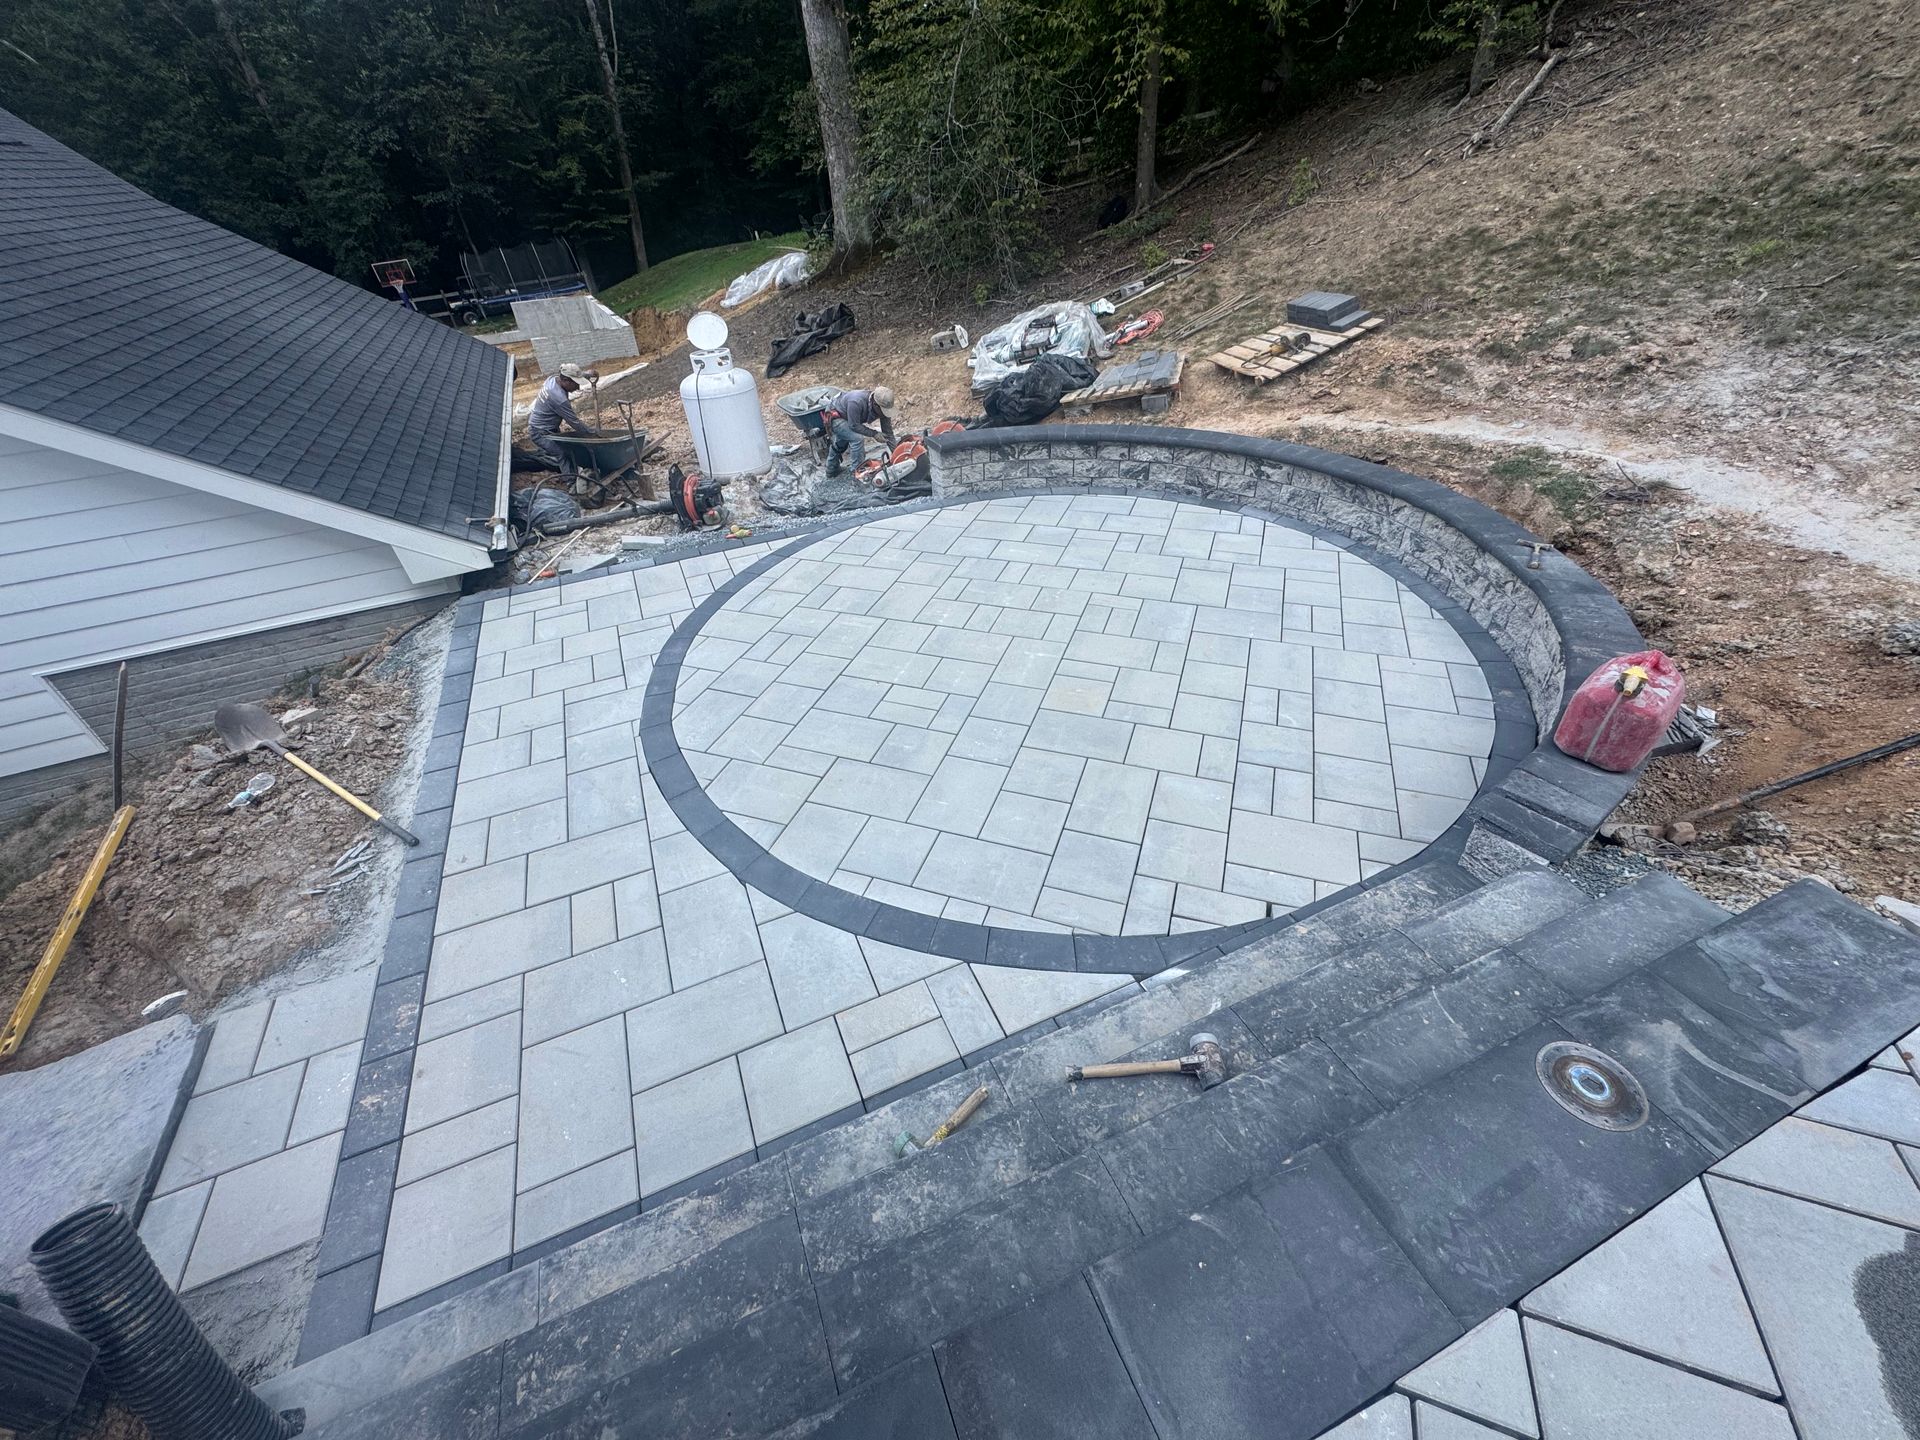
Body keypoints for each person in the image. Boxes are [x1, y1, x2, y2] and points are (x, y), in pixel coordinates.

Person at [527, 364, 599, 482]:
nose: (578, 387)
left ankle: (576, 475)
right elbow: (574, 422)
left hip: (549, 428)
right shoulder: (559, 399)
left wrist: (587, 374)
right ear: (565, 381)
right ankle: (571, 483)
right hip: (539, 432)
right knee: (562, 454)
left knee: (570, 450)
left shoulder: (553, 379)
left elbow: (570, 375)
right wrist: (593, 434)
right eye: (576, 384)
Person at [823, 386, 896, 477]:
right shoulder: (856, 402)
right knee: (856, 438)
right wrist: (874, 434)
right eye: (883, 411)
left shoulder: (883, 407)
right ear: (875, 405)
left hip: (848, 417)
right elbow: (854, 425)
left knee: (841, 442)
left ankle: (831, 469)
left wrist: (897, 454)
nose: (884, 414)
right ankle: (857, 473)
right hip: (835, 416)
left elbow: (888, 433)